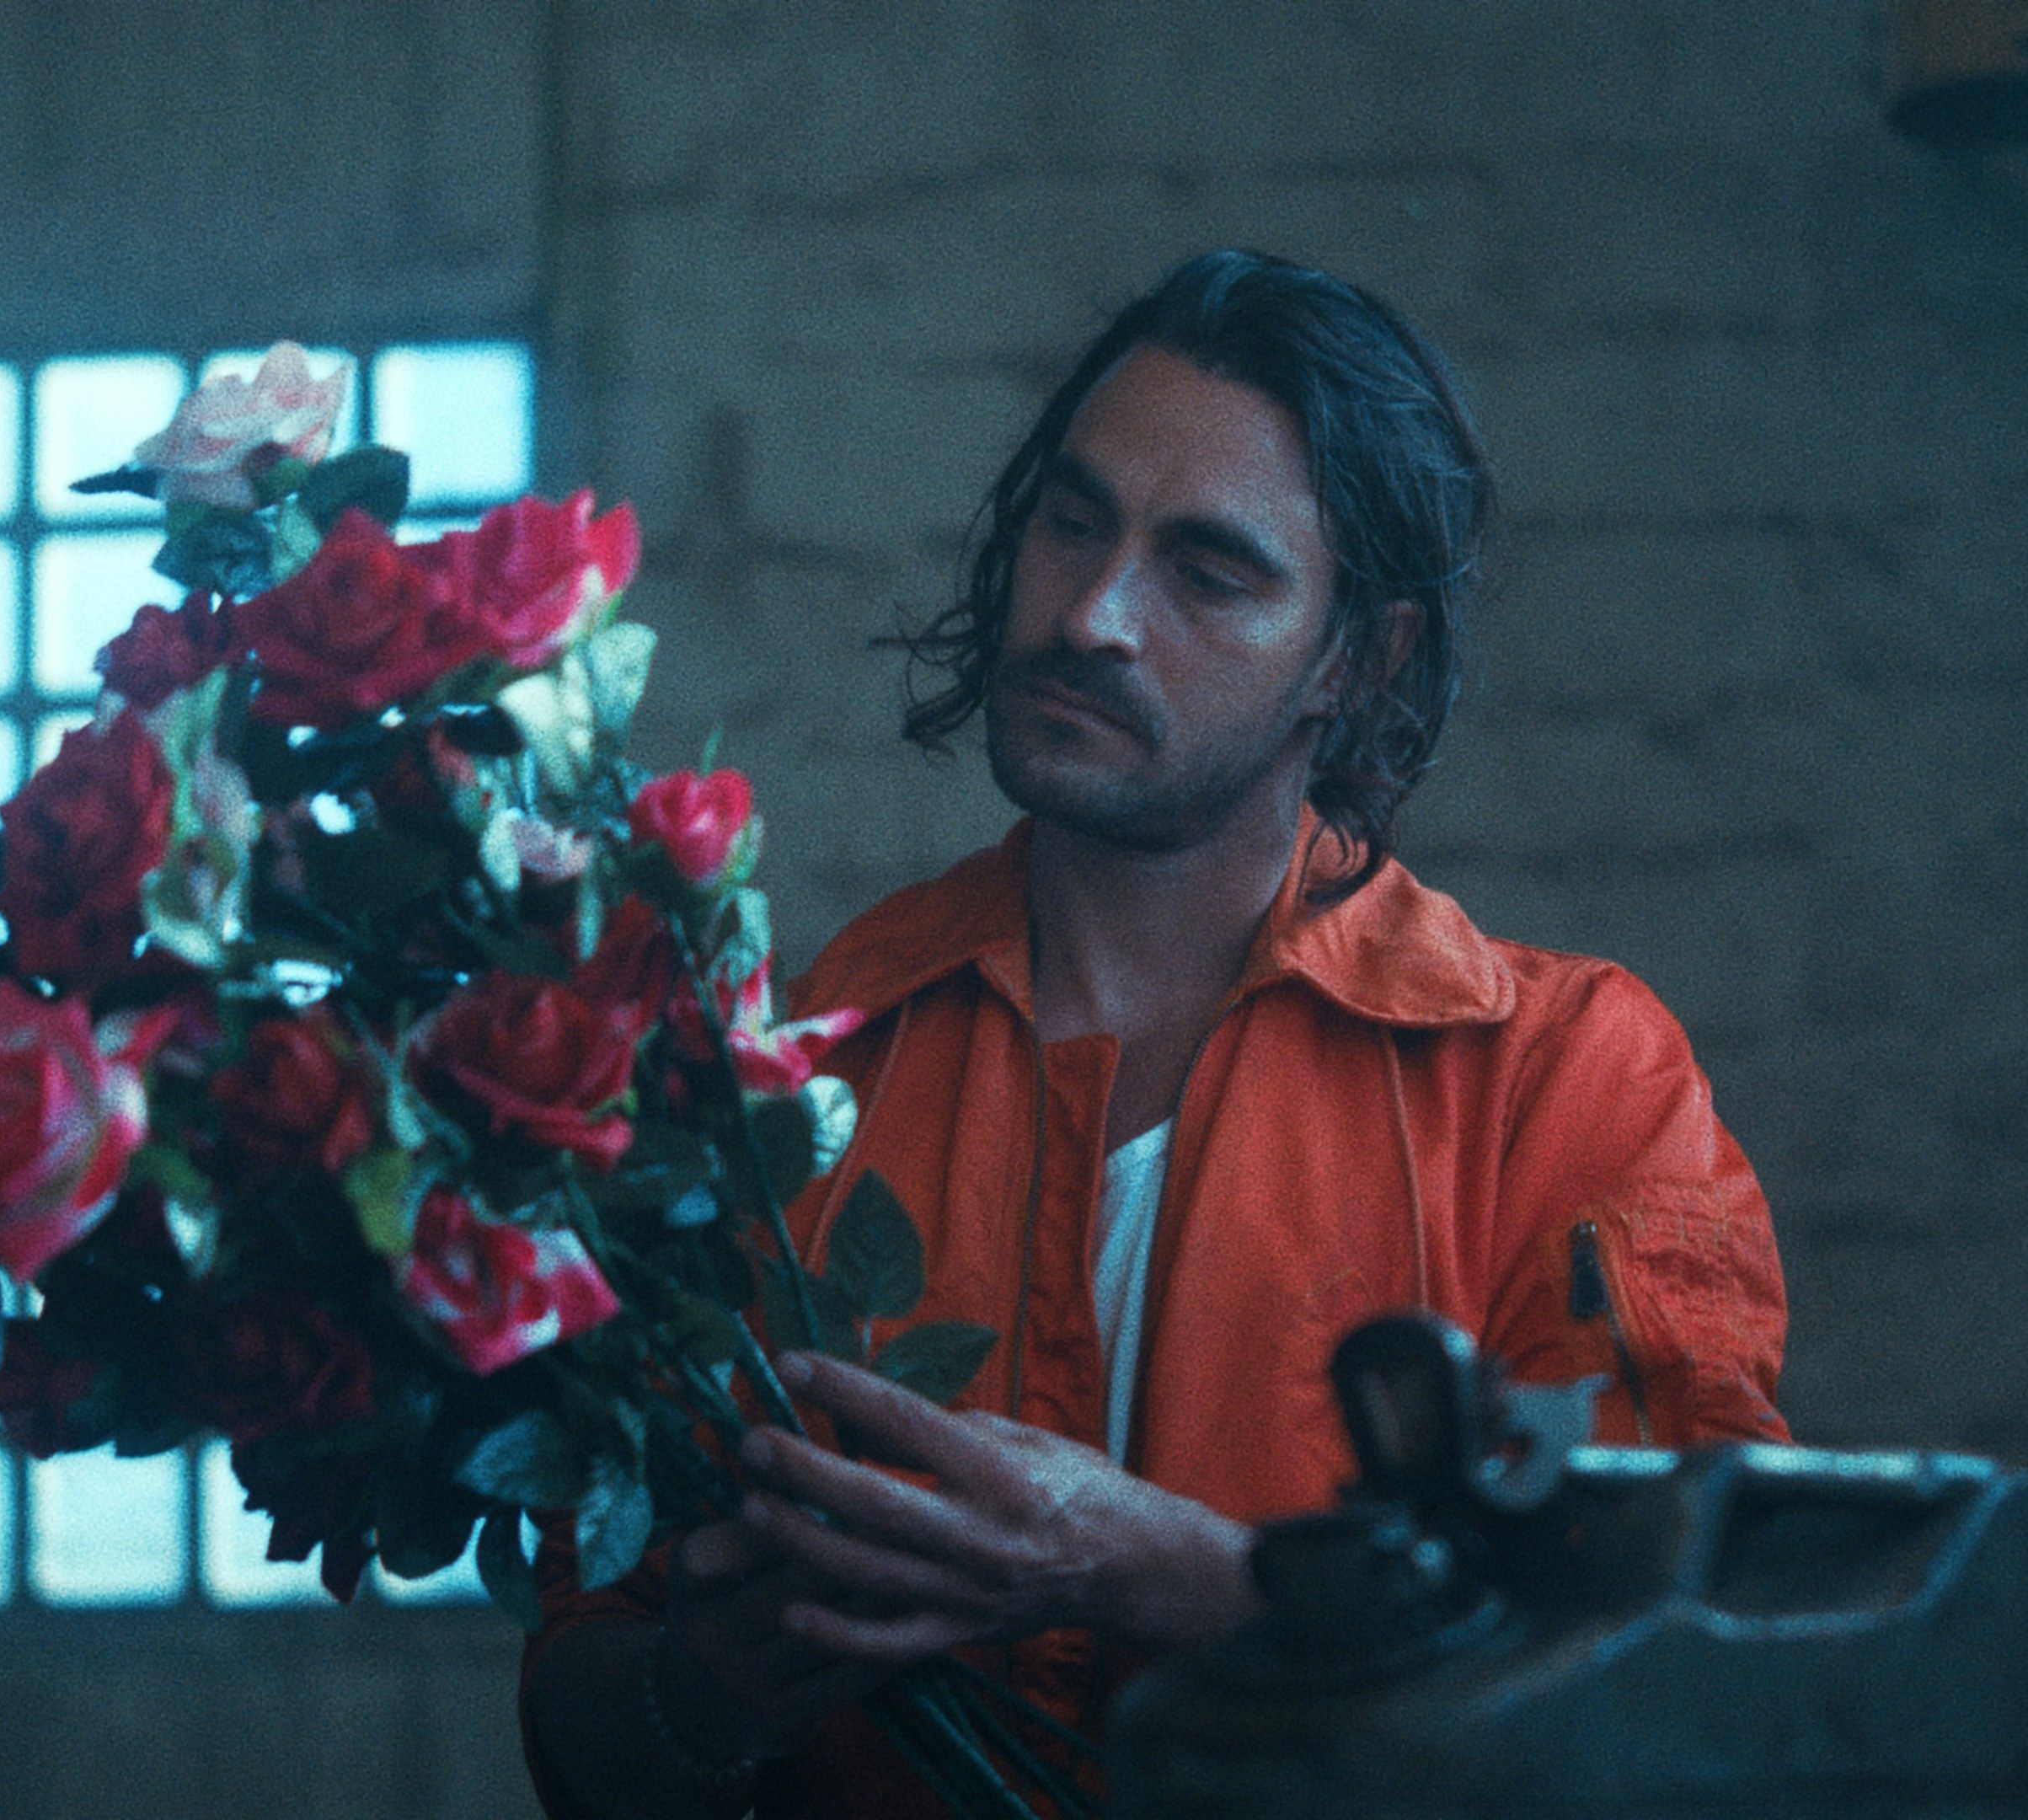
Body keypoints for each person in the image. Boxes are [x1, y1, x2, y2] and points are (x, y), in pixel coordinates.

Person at [521, 249, 1790, 1819]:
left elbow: (1672, 1674)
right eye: (1073, 521)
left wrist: (1168, 1574)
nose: (1094, 613)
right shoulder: (788, 1072)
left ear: (1359, 658)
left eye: (1211, 569)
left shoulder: (1568, 1081)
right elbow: (583, 1703)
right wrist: (706, 1694)